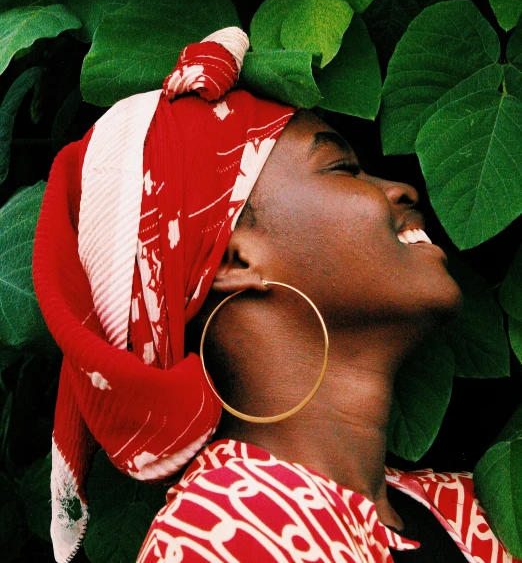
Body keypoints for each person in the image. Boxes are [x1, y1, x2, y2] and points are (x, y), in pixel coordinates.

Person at [33, 28, 518, 563]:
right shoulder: (219, 538)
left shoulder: (465, 509)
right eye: (343, 168)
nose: (401, 189)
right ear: (233, 259)